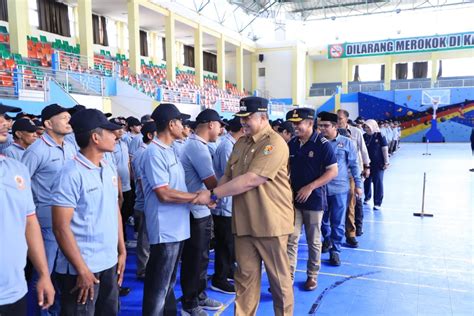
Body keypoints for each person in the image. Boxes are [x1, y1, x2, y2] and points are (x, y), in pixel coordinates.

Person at [194, 96, 295, 316]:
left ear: (263, 116)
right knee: (245, 281)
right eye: (241, 118)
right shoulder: (241, 143)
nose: (243, 122)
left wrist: (212, 193)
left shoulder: (274, 143)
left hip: (271, 224)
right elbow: (228, 176)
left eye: (247, 118)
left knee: (279, 281)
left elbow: (252, 179)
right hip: (244, 224)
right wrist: (215, 198)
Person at [51, 109, 126, 315]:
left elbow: (114, 211)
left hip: (108, 262)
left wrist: (121, 249)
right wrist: (82, 269)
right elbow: (60, 227)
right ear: (95, 137)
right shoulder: (70, 174)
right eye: (109, 132)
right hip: (82, 267)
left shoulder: (108, 168)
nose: (115, 136)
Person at [140, 104, 197, 316]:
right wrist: (196, 198)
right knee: (159, 285)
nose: (184, 126)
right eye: (181, 122)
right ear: (172, 124)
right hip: (166, 228)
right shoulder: (154, 153)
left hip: (177, 225)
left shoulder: (170, 150)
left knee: (169, 280)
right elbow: (163, 193)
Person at [21, 103, 77, 315]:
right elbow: (23, 184)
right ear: (47, 123)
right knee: (45, 271)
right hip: (45, 221)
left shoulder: (70, 147)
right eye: (63, 118)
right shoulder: (37, 151)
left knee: (64, 269)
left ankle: (58, 309)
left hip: (68, 218)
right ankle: (41, 311)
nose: (68, 121)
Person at [0, 104, 55, 316]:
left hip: (14, 290)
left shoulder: (17, 169)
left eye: (5, 117)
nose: (5, 122)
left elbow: (29, 222)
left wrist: (43, 274)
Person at [286, 108, 338, 291]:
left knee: (313, 240)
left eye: (298, 123)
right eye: (293, 123)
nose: (294, 127)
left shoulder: (323, 144)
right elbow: (288, 169)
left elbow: (333, 171)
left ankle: (312, 275)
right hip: (294, 201)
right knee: (291, 239)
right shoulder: (292, 143)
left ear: (309, 123)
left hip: (314, 201)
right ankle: (288, 277)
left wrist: (310, 187)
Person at [180, 109, 225, 315]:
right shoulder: (197, 147)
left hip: (201, 210)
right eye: (219, 125)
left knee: (202, 257)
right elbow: (211, 182)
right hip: (195, 210)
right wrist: (221, 193)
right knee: (194, 258)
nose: (220, 129)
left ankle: (199, 295)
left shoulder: (200, 145)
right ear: (210, 125)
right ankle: (190, 303)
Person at [317, 111, 362, 266]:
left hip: (340, 189)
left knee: (338, 222)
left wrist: (358, 185)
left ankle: (335, 251)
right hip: (321, 189)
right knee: (322, 221)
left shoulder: (347, 143)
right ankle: (327, 239)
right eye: (320, 126)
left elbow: (354, 165)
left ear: (335, 126)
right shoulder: (317, 143)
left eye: (325, 126)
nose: (322, 129)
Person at [210, 117, 244, 294]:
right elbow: (229, 175)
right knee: (224, 244)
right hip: (224, 204)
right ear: (242, 129)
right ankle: (219, 278)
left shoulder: (234, 145)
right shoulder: (226, 147)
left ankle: (229, 270)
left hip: (231, 202)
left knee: (230, 243)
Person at [337, 109, 371, 246]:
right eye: (336, 118)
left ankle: (350, 233)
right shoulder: (331, 133)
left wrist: (366, 166)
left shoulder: (356, 132)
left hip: (351, 173)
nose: (338, 121)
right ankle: (329, 238)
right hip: (336, 175)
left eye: (340, 118)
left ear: (346, 119)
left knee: (351, 204)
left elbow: (363, 149)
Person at [131, 122, 156, 280]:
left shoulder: (147, 151)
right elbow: (141, 181)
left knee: (148, 238)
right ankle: (143, 269)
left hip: (147, 202)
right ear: (149, 136)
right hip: (144, 203)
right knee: (145, 239)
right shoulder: (143, 153)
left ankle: (147, 267)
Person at [363, 119, 390, 210]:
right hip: (367, 163)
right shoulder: (364, 136)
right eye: (365, 127)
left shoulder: (380, 135)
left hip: (379, 164)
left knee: (378, 182)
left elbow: (385, 149)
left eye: (368, 127)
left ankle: (377, 202)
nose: (367, 129)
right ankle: (367, 197)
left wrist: (386, 162)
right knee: (366, 181)